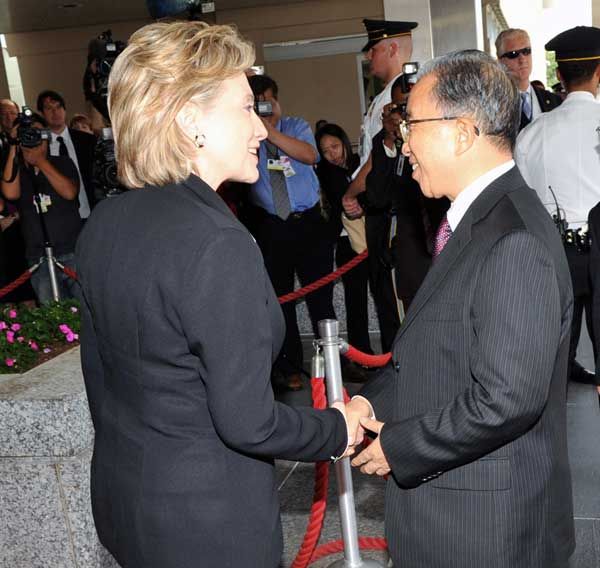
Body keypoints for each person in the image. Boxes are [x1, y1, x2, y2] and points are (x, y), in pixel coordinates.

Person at [76, 21, 350, 568]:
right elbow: (249, 421)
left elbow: (101, 384)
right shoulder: (216, 241)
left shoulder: (105, 222)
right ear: (189, 120)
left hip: (128, 508)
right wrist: (338, 427)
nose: (260, 126)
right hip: (210, 528)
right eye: (246, 108)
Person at [345, 50, 575, 567]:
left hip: (489, 530)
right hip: (457, 514)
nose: (404, 143)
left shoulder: (512, 237)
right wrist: (370, 404)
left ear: (462, 132)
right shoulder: (476, 221)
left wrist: (400, 446)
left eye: (413, 126)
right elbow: (434, 350)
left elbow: (507, 399)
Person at [515, 26, 600, 387]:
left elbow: (522, 199)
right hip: (598, 247)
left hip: (554, 250)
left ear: (560, 75)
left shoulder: (532, 133)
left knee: (554, 358)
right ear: (599, 73)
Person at [247, 74, 336, 391]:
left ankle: (331, 365)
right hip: (272, 225)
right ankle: (289, 367)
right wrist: (255, 129)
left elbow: (310, 156)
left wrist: (270, 130)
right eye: (260, 102)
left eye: (271, 99)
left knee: (320, 299)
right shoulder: (246, 136)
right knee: (280, 300)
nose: (267, 107)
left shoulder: (295, 126)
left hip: (308, 221)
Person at [363, 76, 448, 350]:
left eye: (409, 109)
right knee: (403, 331)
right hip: (407, 255)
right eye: (400, 108)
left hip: (442, 248)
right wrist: (389, 141)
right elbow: (376, 196)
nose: (404, 116)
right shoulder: (386, 144)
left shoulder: (439, 137)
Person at [1, 113, 81, 304]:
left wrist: (41, 161)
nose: (33, 138)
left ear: (46, 136)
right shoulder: (18, 170)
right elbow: (10, 193)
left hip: (72, 252)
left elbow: (70, 192)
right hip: (39, 259)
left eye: (37, 133)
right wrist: (13, 145)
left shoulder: (62, 162)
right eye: (27, 134)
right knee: (55, 319)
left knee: (86, 311)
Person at [342, 19, 417, 220]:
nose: (368, 55)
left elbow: (379, 157)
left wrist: (351, 194)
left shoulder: (400, 96)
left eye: (373, 50)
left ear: (392, 48)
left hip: (392, 203)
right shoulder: (382, 97)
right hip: (378, 198)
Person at [315, 122, 373, 379]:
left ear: (345, 143)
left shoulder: (361, 163)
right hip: (345, 243)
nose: (333, 154)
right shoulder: (327, 173)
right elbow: (343, 198)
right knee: (356, 300)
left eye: (335, 146)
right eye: (326, 151)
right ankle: (360, 356)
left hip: (371, 237)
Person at [37, 90, 96, 220]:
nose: (55, 112)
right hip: (58, 218)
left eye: (59, 107)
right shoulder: (40, 147)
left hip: (91, 212)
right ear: (42, 113)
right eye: (49, 108)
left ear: (65, 110)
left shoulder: (87, 140)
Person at [495, 28, 562, 131]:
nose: (522, 59)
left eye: (526, 51)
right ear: (500, 61)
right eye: (513, 54)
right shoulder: (493, 104)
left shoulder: (554, 101)